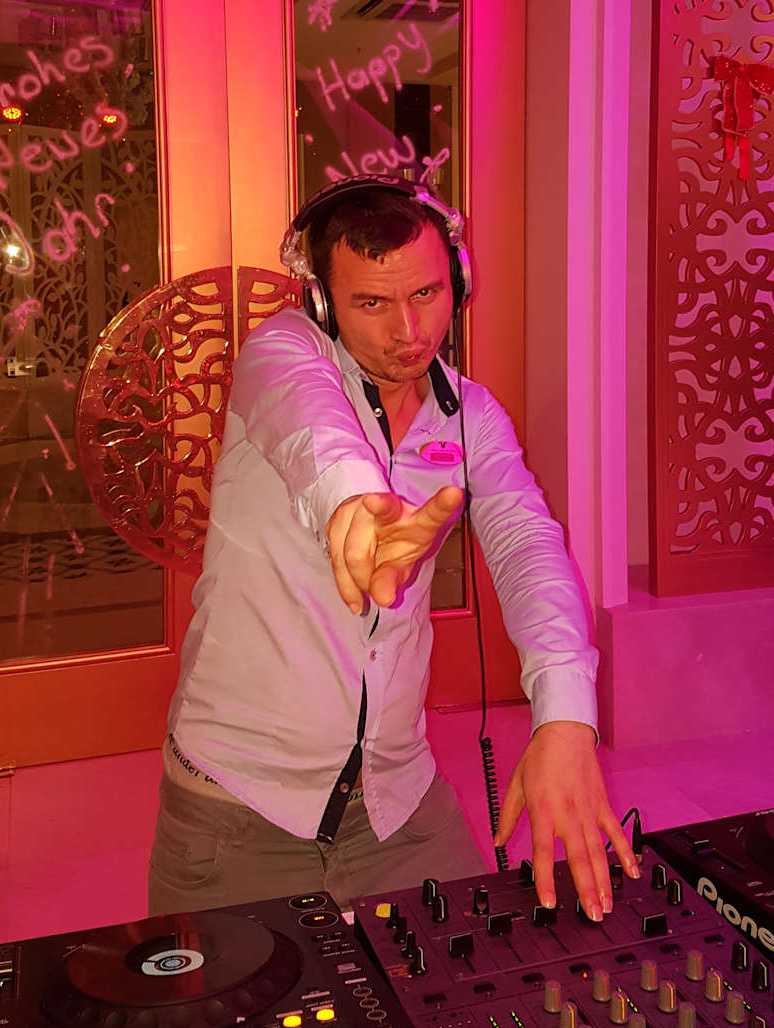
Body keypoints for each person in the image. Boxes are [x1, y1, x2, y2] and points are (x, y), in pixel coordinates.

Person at [148, 175, 638, 919]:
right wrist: (354, 503)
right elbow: (314, 430)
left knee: (478, 981)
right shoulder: (281, 350)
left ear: (458, 285)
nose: (409, 331)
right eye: (372, 303)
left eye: (427, 295)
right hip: (235, 804)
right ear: (322, 303)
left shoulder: (472, 416)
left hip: (397, 802)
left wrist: (566, 715)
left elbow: (528, 546)